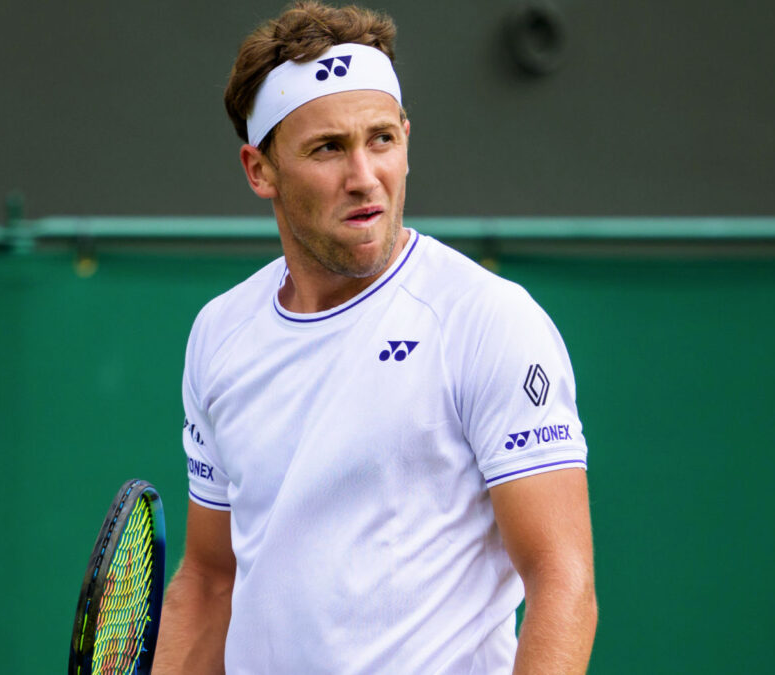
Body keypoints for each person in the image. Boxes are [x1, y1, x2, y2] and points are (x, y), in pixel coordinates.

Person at [154, 2, 596, 672]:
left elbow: (563, 582)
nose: (365, 176)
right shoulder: (220, 333)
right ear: (260, 169)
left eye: (382, 139)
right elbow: (211, 580)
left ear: (406, 140)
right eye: (328, 148)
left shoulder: (489, 321)